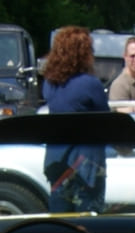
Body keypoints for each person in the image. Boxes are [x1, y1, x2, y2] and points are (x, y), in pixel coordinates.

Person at [42, 26, 109, 213]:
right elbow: (106, 121)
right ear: (82, 53)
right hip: (86, 168)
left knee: (61, 224)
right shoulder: (91, 85)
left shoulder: (49, 84)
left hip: (57, 163)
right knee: (88, 226)